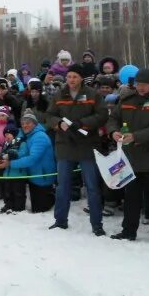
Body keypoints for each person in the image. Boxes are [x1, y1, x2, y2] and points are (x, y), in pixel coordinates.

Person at [108, 69, 149, 247]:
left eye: (145, 84)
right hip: (131, 158)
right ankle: (128, 231)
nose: (141, 88)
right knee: (131, 198)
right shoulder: (126, 100)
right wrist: (113, 131)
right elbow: (113, 118)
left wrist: (136, 136)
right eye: (138, 84)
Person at [46, 65, 108, 235]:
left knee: (92, 186)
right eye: (69, 76)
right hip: (65, 145)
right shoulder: (59, 94)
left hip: (87, 144)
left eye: (75, 77)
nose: (71, 80)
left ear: (81, 78)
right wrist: (58, 123)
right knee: (62, 185)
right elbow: (49, 115)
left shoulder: (92, 94)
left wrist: (83, 123)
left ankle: (97, 224)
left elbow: (102, 115)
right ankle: (60, 220)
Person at [0, 112, 56, 213]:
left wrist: (10, 164)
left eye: (28, 123)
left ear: (35, 124)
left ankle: (52, 197)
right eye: (23, 123)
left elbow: (32, 158)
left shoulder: (39, 137)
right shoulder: (29, 135)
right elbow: (15, 133)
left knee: (40, 210)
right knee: (35, 206)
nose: (25, 125)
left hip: (42, 177)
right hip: (34, 176)